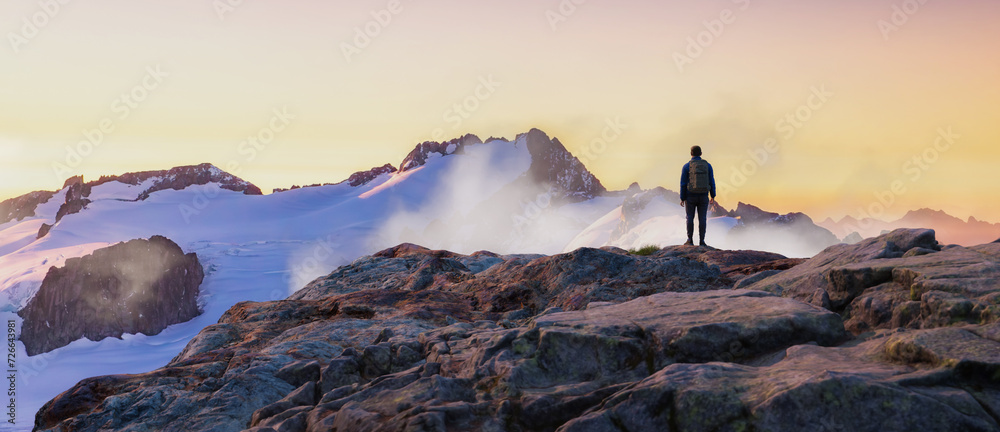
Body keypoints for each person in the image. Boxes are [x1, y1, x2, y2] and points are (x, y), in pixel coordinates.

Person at [679, 145, 716, 247]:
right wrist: (713, 195)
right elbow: (711, 181)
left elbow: (683, 183)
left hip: (690, 196)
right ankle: (702, 241)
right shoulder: (708, 166)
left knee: (689, 217)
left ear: (691, 153)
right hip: (704, 195)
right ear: (701, 153)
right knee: (702, 218)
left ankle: (690, 240)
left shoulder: (686, 166)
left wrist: (682, 198)